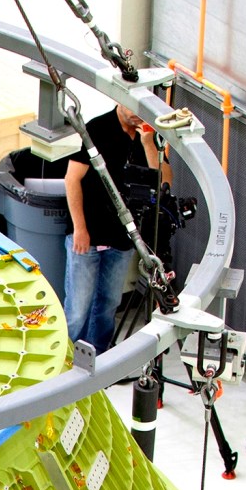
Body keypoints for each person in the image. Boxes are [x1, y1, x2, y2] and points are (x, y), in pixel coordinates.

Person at [62, 103, 169, 352]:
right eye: (130, 108)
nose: (135, 114)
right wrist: (79, 228)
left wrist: (148, 143)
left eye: (141, 110)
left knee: (109, 303)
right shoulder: (97, 129)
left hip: (121, 239)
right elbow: (72, 179)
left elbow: (165, 182)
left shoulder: (150, 138)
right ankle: (65, 361)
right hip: (86, 236)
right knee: (78, 308)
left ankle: (99, 355)